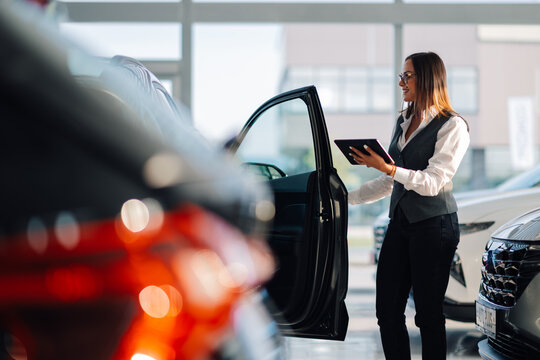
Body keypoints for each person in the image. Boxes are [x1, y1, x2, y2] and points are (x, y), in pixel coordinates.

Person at [348, 52, 470, 360]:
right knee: (387, 311)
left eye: (408, 76)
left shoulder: (453, 126)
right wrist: (346, 198)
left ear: (428, 78)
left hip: (434, 225)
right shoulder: (402, 121)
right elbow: (393, 182)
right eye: (401, 76)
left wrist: (387, 168)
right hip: (400, 224)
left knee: (428, 315)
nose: (401, 82)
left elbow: (431, 182)